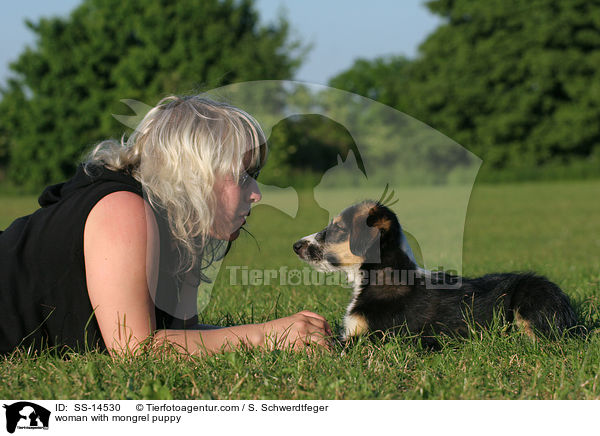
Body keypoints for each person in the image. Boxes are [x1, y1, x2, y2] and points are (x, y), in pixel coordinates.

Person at [0, 95, 332, 356]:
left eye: (255, 178)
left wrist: (282, 331)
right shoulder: (123, 209)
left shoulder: (186, 229)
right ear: (193, 179)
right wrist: (266, 335)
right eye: (242, 177)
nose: (257, 194)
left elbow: (181, 338)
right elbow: (136, 349)